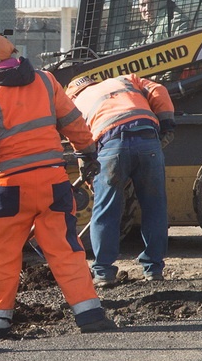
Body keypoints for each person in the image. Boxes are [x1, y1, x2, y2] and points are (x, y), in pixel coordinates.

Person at [0, 34, 116, 340]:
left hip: (9, 189)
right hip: (53, 183)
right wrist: (87, 153)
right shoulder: (46, 82)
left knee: (3, 256)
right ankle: (89, 315)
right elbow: (73, 121)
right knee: (66, 251)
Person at [66, 74, 175, 286]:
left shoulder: (74, 102)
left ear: (72, 93)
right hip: (148, 140)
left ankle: (104, 272)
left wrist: (87, 167)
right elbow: (158, 89)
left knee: (105, 210)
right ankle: (153, 269)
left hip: (111, 144)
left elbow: (77, 137)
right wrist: (167, 124)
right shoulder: (126, 80)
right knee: (154, 206)